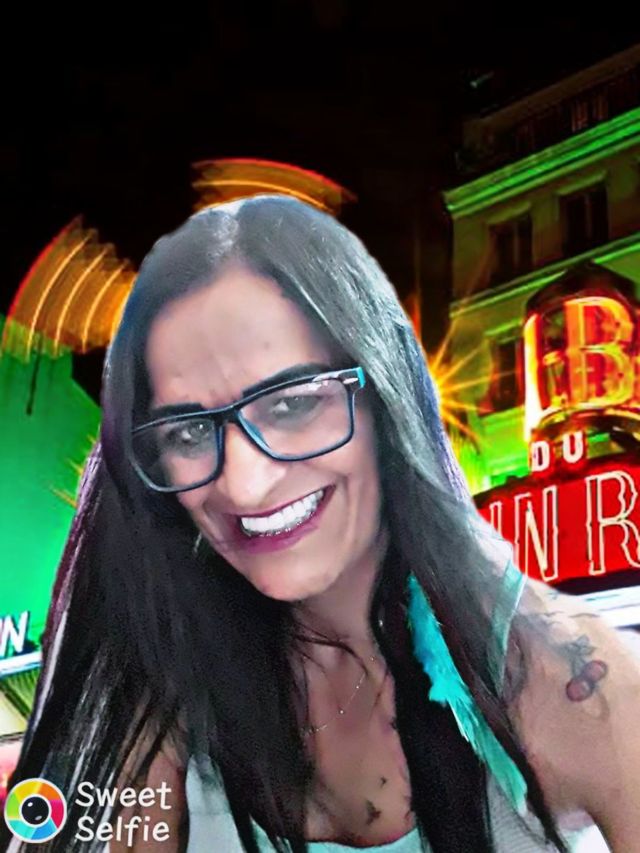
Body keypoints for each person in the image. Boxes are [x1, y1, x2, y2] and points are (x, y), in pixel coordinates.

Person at [4, 195, 640, 853]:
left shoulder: (561, 678)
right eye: (189, 431)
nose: (245, 483)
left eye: (292, 403)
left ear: (383, 395)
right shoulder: (163, 697)